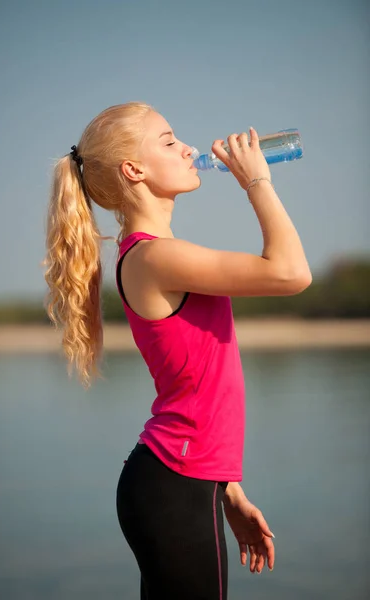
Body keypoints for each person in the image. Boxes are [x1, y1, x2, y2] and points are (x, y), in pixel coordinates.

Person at [43, 102, 312, 599]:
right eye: (169, 141)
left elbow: (194, 385)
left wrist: (228, 489)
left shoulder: (156, 254)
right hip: (174, 486)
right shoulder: (155, 256)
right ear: (134, 170)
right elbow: (291, 273)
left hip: (186, 480)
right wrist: (257, 181)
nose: (188, 147)